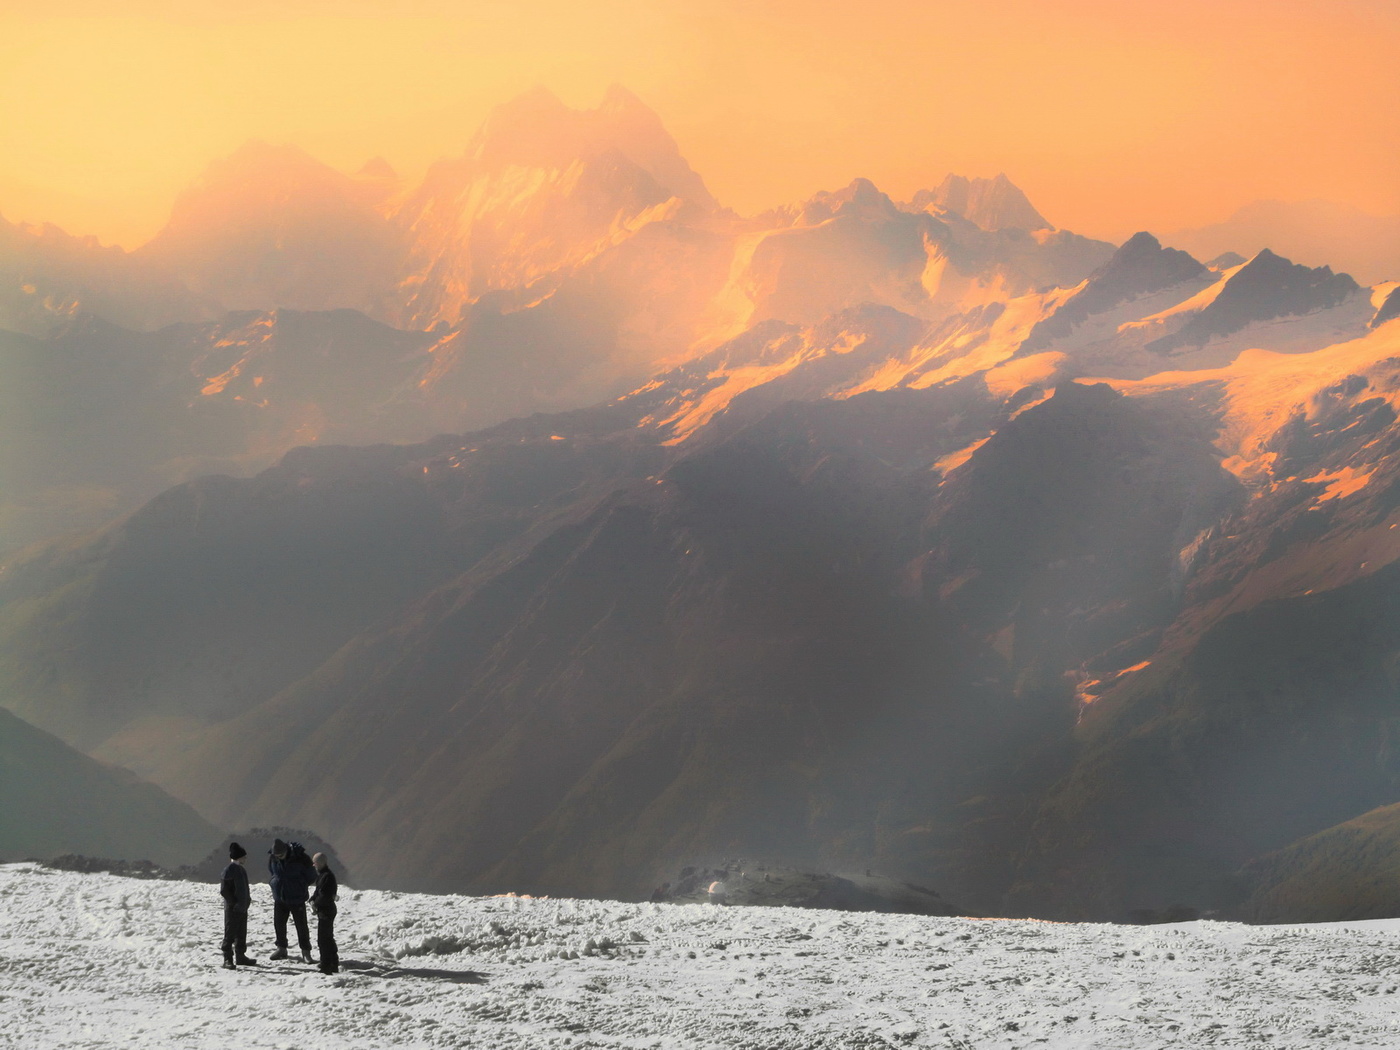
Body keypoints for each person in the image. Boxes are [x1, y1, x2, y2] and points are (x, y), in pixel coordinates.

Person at [267, 838, 316, 963]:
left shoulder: (301, 858)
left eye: (281, 855)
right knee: (279, 924)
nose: (279, 857)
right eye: (277, 855)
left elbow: (311, 876)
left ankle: (306, 952)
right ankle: (281, 948)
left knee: (301, 926)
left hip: (296, 897)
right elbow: (272, 871)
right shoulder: (273, 857)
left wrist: (299, 885)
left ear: (286, 850)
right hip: (280, 897)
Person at [219, 842, 256, 969]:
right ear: (239, 857)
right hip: (233, 908)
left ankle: (240, 956)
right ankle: (227, 959)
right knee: (230, 934)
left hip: (241, 907)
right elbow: (224, 890)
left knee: (241, 933)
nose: (245, 859)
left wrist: (246, 901)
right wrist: (233, 903)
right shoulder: (229, 870)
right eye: (244, 857)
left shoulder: (240, 869)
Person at [310, 852, 339, 974]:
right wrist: (312, 899)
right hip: (326, 910)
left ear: (320, 863)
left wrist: (315, 903)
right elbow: (318, 892)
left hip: (326, 911)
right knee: (327, 937)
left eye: (315, 863)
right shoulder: (324, 875)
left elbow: (324, 896)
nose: (314, 865)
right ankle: (333, 962)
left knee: (323, 939)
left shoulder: (326, 877)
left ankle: (326, 964)